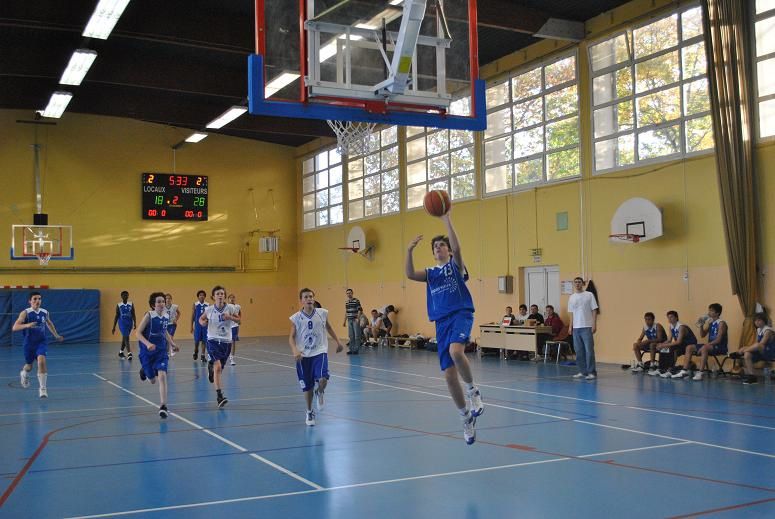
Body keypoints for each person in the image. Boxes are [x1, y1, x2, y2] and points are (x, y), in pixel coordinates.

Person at [405, 210, 484, 445]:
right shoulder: (431, 274)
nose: (438, 248)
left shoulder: (455, 267)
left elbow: (458, 250)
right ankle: (465, 417)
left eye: (442, 245)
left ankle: (473, 391)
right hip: (441, 323)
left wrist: (447, 219)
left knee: (456, 351)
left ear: (448, 250)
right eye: (435, 247)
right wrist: (409, 250)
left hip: (460, 313)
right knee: (449, 377)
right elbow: (409, 273)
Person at [289, 288, 344, 426]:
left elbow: (329, 328)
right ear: (301, 300)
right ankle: (309, 411)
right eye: (306, 297)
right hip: (303, 356)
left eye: (311, 296)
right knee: (307, 388)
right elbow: (291, 337)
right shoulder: (296, 317)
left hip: (319, 352)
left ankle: (320, 391)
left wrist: (338, 342)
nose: (309, 299)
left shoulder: (322, 313)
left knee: (323, 378)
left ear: (314, 299)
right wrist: (295, 349)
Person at [13, 292, 63, 398]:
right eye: (35, 299)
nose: (37, 301)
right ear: (30, 301)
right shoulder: (25, 313)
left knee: (41, 361)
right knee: (29, 366)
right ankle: (24, 373)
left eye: (39, 299)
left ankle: (43, 389)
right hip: (29, 344)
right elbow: (15, 327)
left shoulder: (45, 312)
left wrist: (56, 335)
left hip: (41, 342)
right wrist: (27, 325)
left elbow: (49, 323)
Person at [136, 292, 178, 418]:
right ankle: (144, 370)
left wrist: (172, 344)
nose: (161, 303)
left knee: (162, 375)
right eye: (158, 302)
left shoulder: (166, 316)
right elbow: (137, 333)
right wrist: (148, 344)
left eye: (163, 301)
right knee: (153, 380)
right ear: (153, 305)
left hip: (161, 351)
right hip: (147, 351)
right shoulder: (149, 315)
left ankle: (163, 406)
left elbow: (164, 332)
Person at [199, 286, 239, 408]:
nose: (220, 295)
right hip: (213, 340)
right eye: (218, 294)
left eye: (222, 293)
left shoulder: (231, 308)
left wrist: (230, 317)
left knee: (219, 369)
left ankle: (211, 367)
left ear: (224, 296)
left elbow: (239, 320)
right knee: (218, 368)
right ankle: (219, 396)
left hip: (226, 342)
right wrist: (203, 322)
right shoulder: (209, 309)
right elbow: (201, 319)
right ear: (213, 296)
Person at [679, 303, 728, 380]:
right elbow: (702, 335)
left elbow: (718, 340)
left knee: (705, 348)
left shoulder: (722, 323)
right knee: (689, 347)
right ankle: (684, 370)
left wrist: (705, 346)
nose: (709, 312)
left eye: (711, 311)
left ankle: (700, 372)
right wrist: (701, 325)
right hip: (710, 346)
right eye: (709, 310)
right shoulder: (711, 323)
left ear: (717, 313)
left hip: (720, 346)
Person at [567, 277, 599, 379]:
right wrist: (570, 326)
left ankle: (591, 372)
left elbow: (594, 310)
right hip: (576, 328)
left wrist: (594, 324)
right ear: (574, 284)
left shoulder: (589, 295)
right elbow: (571, 313)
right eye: (575, 282)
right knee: (578, 351)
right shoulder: (572, 297)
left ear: (583, 284)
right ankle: (582, 371)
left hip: (587, 327)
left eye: (579, 282)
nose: (577, 284)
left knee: (589, 351)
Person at [730, 312, 775, 385]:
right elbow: (756, 343)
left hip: (770, 352)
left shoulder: (768, 330)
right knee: (747, 353)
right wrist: (745, 349)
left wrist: (744, 350)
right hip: (761, 352)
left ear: (764, 321)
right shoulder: (758, 330)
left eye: (759, 320)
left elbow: (762, 343)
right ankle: (752, 376)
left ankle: (738, 353)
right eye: (755, 320)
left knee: (756, 345)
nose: (756, 322)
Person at [657, 311, 699, 378]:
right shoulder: (671, 327)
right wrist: (661, 345)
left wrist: (664, 345)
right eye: (668, 317)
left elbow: (678, 341)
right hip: (682, 345)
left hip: (690, 345)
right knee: (664, 349)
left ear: (676, 318)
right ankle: (662, 369)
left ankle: (671, 370)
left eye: (671, 317)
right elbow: (669, 340)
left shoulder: (681, 327)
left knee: (672, 349)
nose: (670, 319)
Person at [112, 291, 136, 360]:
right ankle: (129, 353)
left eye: (126, 295)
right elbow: (116, 316)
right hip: (122, 323)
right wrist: (114, 327)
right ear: (121, 296)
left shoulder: (131, 304)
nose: (125, 296)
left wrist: (135, 323)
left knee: (125, 338)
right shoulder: (119, 305)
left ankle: (121, 352)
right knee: (126, 337)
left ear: (128, 296)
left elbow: (133, 314)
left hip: (129, 323)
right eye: (124, 295)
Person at [191, 290, 209, 362]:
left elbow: (209, 316)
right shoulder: (195, 304)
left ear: (205, 296)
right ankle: (196, 351)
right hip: (197, 326)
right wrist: (191, 326)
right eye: (200, 295)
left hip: (205, 325)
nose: (201, 296)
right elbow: (193, 316)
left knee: (204, 341)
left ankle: (203, 356)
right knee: (197, 341)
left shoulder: (207, 305)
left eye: (203, 295)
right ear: (198, 297)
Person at [343, 288, 362, 355]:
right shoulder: (346, 302)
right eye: (347, 293)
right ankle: (351, 349)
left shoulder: (356, 300)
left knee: (356, 335)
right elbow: (346, 312)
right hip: (349, 320)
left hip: (355, 320)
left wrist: (358, 318)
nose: (348, 294)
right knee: (351, 335)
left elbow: (360, 310)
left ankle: (356, 349)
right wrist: (344, 321)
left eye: (350, 293)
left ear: (352, 293)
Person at [227, 293, 241, 366]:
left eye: (233, 297)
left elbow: (239, 314)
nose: (232, 299)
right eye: (230, 297)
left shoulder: (238, 306)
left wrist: (239, 320)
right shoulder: (227, 306)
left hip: (235, 326)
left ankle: (232, 358)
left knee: (233, 341)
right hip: (228, 326)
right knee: (227, 342)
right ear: (228, 299)